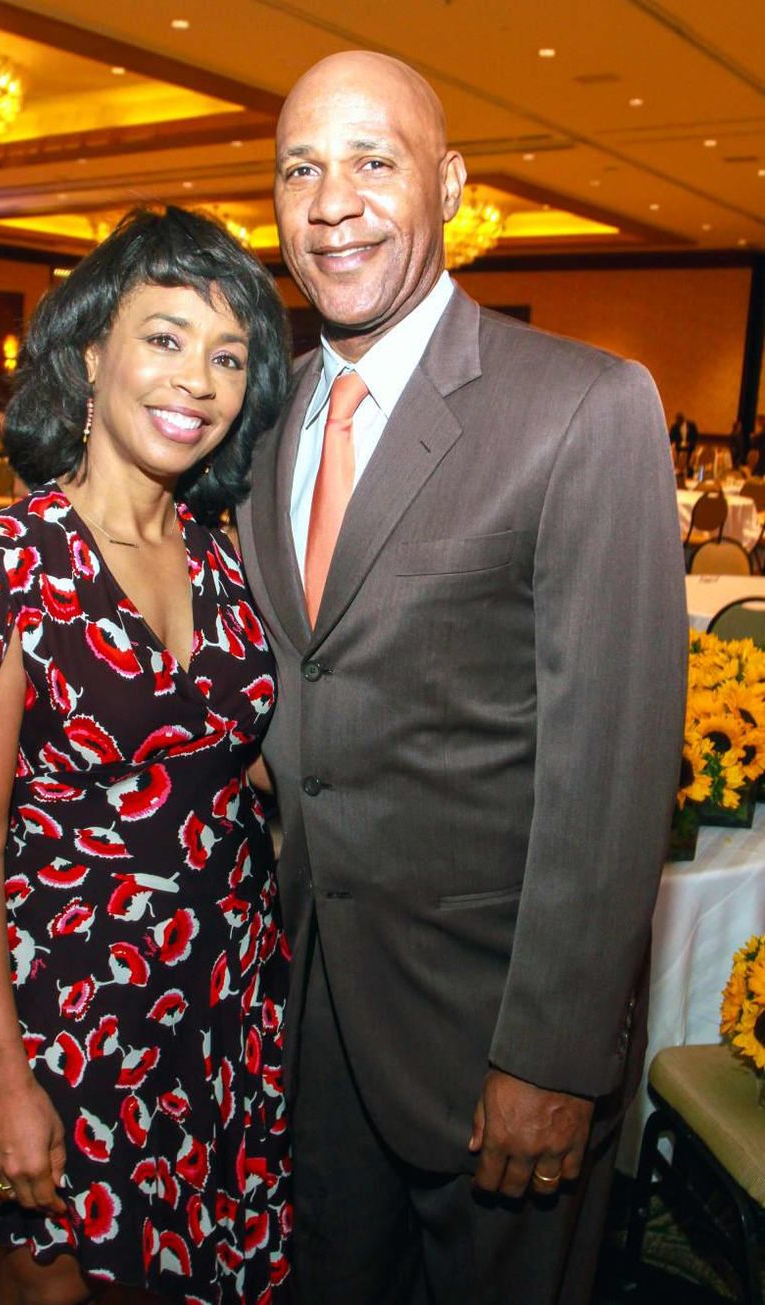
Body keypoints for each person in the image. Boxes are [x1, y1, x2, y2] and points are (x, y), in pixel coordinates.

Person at [235, 51, 688, 1305]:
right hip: (311, 1012)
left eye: (372, 162)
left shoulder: (582, 408)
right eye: (299, 170)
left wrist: (552, 1056)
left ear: (448, 186)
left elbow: (613, 770)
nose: (331, 202)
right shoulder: (260, 414)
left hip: (492, 1038)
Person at [0, 208, 292, 1305]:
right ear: (92, 352)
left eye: (227, 356)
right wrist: (2, 1080)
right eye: (163, 337)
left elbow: (230, 754)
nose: (194, 380)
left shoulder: (223, 553)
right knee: (54, 1287)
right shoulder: (4, 567)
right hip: (69, 1008)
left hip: (224, 993)